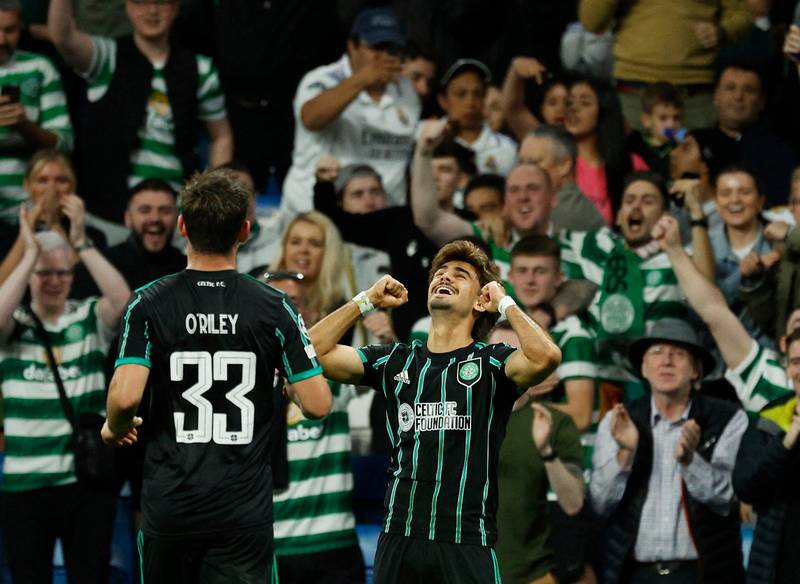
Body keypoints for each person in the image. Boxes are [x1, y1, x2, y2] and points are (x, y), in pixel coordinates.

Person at [101, 169, 332, 584]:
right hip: (242, 511)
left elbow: (123, 400)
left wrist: (113, 428)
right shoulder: (276, 306)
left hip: (172, 505)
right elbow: (317, 404)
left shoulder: (148, 303)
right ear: (244, 229)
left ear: (182, 226)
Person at [307, 239, 562, 584]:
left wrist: (504, 303)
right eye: (440, 272)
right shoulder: (395, 359)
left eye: (461, 275)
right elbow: (311, 353)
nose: (445, 277)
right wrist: (365, 301)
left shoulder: (492, 363)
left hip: (466, 538)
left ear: (479, 300)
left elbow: (546, 357)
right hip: (400, 534)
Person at [0, 198, 131, 583]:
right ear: (29, 279)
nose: (54, 280)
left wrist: (80, 243)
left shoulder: (88, 316)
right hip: (25, 486)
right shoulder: (14, 325)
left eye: (62, 273)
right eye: (44, 274)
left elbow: (124, 301)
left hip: (85, 485)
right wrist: (28, 254)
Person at [48, 0, 233, 238]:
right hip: (109, 215)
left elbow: (221, 136)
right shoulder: (107, 57)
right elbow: (61, 36)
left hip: (176, 219)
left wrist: (212, 199)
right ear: (127, 7)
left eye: (161, 3)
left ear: (176, 8)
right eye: (141, 2)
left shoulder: (200, 68)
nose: (152, 11)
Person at [590, 319, 748, 584]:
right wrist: (626, 454)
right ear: (643, 367)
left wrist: (689, 460)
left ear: (696, 370)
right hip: (634, 574)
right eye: (657, 353)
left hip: (704, 573)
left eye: (678, 354)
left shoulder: (727, 419)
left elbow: (727, 498)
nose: (666, 361)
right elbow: (599, 503)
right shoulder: (618, 419)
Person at [560, 171, 714, 397]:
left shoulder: (677, 257)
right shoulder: (592, 246)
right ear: (619, 214)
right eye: (629, 200)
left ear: (665, 215)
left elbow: (708, 291)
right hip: (599, 381)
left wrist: (696, 213)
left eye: (648, 201)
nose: (636, 207)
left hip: (656, 384)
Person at [280, 6, 420, 216]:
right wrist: (363, 78)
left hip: (382, 217)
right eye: (376, 47)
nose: (384, 57)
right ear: (352, 45)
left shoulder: (406, 89)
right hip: (315, 216)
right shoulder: (322, 79)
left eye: (392, 48)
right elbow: (311, 118)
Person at [651, 212, 796, 412]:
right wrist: (674, 250)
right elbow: (712, 309)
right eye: (797, 361)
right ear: (783, 344)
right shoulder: (771, 382)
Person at [491, 321, 584, 584]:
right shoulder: (459, 417)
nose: (507, 361)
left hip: (533, 575)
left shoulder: (553, 423)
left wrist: (547, 453)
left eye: (518, 352)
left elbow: (574, 502)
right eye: (499, 350)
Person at [578, 0, 753, 130]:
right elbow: (592, 21)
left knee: (695, 173)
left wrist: (722, 30)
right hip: (633, 96)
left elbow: (744, 16)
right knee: (630, 173)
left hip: (694, 98)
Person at [732, 327, 800, 584]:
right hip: (776, 568)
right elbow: (746, 486)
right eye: (796, 362)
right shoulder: (770, 419)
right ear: (787, 369)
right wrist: (785, 443)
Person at [0, 0, 73, 222]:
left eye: (10, 30)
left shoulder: (40, 67)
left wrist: (24, 125)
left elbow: (64, 143)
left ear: (21, 27)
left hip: (31, 206)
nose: (1, 40)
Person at [692, 64, 798, 207]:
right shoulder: (694, 143)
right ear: (716, 96)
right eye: (730, 88)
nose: (738, 96)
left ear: (761, 102)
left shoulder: (780, 150)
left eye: (749, 90)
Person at [0, 148, 106, 283]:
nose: (52, 189)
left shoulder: (92, 236)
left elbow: (86, 284)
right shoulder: (6, 233)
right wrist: (27, 229)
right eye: (42, 180)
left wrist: (54, 224)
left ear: (72, 186)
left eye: (61, 180)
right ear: (27, 186)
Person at [70, 178, 184, 298]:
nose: (155, 218)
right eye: (145, 210)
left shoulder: (191, 270)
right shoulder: (99, 268)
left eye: (165, 211)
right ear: (127, 218)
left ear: (177, 219)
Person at [564, 77, 648, 224]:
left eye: (584, 103)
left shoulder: (632, 164)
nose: (573, 108)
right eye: (569, 103)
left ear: (604, 111)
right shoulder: (557, 162)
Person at [707, 165, 773, 345]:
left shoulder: (778, 245)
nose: (735, 200)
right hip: (717, 354)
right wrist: (741, 276)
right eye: (726, 193)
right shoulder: (703, 248)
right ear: (716, 203)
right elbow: (704, 308)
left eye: (744, 192)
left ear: (760, 201)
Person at [739, 166, 800, 341]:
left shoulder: (788, 236)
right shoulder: (783, 249)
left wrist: (789, 233)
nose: (793, 209)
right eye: (794, 202)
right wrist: (755, 281)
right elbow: (772, 324)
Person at [518, 125, 606, 232]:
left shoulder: (563, 212)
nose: (523, 171)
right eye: (521, 163)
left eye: (534, 163)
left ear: (564, 165)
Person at [437, 58, 517, 176]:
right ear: (443, 101)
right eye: (461, 94)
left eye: (478, 93)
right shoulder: (426, 141)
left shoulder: (507, 148)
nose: (470, 102)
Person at [500, 57, 568, 141]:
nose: (560, 109)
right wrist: (515, 71)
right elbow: (513, 108)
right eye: (552, 103)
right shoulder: (539, 139)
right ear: (542, 109)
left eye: (567, 103)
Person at [628, 82, 685, 179]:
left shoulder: (682, 147)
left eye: (676, 118)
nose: (671, 125)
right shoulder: (636, 145)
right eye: (663, 118)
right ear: (646, 120)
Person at [431, 139, 477, 212]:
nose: (434, 177)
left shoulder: (472, 222)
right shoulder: (406, 220)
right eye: (426, 170)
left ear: (462, 180)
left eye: (444, 170)